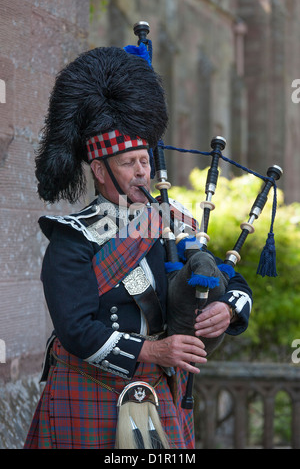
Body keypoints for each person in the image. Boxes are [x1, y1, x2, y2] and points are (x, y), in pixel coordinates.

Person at [24, 46, 252, 449]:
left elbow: (231, 279)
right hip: (88, 391)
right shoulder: (71, 238)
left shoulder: (171, 227)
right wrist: (156, 350)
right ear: (99, 169)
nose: (143, 170)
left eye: (145, 160)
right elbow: (75, 330)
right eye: (129, 162)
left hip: (160, 393)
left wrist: (228, 308)